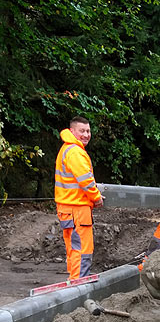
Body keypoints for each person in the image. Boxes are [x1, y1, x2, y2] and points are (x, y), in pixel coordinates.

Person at [54, 116, 103, 280]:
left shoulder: (67, 149)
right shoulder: (75, 152)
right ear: (72, 131)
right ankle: (78, 285)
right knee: (83, 249)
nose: (86, 134)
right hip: (77, 209)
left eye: (88, 131)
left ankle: (73, 279)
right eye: (82, 131)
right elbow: (85, 181)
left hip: (67, 208)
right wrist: (96, 198)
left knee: (73, 248)